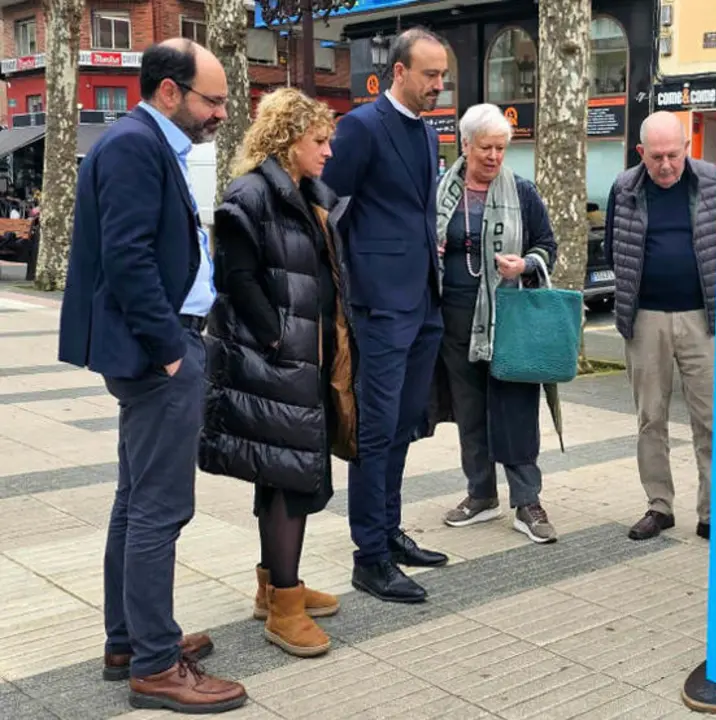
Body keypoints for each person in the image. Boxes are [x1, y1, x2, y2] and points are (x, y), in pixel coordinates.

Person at [57, 39, 246, 714]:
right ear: (170, 92)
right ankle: (156, 664)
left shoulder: (142, 141)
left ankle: (129, 641)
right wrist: (172, 348)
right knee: (159, 509)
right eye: (213, 100)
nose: (221, 113)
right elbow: (129, 256)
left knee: (136, 501)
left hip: (153, 351)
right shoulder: (138, 146)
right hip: (158, 355)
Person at [199, 87, 352, 658]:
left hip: (299, 358)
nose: (328, 152)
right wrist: (276, 337)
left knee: (285, 471)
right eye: (319, 141)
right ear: (288, 141)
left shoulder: (306, 193)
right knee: (288, 475)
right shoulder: (252, 193)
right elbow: (236, 278)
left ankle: (275, 586)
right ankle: (283, 606)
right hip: (276, 360)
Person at [321, 27, 449, 604]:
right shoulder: (362, 127)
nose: (439, 85)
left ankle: (390, 533)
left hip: (423, 300)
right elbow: (324, 202)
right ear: (399, 71)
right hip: (379, 304)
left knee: (401, 427)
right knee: (375, 432)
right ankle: (368, 556)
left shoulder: (426, 132)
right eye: (430, 74)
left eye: (442, 75)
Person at [433, 103, 559, 543]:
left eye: (501, 149)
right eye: (485, 147)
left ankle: (527, 502)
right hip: (454, 317)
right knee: (469, 410)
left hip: (508, 317)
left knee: (514, 409)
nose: (493, 157)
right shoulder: (438, 192)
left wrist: (524, 264)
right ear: (464, 145)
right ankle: (480, 494)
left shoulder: (522, 192)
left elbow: (547, 245)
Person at [604, 111, 716, 542]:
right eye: (656, 157)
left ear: (687, 147)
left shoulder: (713, 181)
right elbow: (616, 249)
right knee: (650, 418)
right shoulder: (624, 188)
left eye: (673, 154)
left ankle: (712, 511)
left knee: (710, 420)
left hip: (702, 319)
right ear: (641, 154)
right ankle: (659, 506)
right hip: (646, 318)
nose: (666, 165)